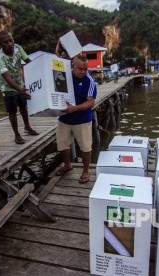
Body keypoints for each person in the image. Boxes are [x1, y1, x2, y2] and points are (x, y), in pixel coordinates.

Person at [54, 55, 97, 184]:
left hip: (82, 119)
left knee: (85, 147)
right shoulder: (64, 75)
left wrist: (75, 108)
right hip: (64, 118)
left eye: (86, 69)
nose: (83, 71)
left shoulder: (89, 81)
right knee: (62, 144)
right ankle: (67, 165)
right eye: (80, 68)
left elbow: (91, 103)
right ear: (73, 66)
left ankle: (85, 171)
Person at [0, 30, 38, 144]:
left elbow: (28, 61)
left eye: (11, 40)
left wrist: (40, 70)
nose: (9, 44)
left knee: (23, 106)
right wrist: (20, 90)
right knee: (12, 110)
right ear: (1, 44)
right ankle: (17, 135)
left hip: (20, 83)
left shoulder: (18, 48)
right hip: (7, 87)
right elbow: (8, 79)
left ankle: (27, 127)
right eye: (6, 42)